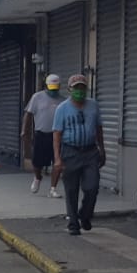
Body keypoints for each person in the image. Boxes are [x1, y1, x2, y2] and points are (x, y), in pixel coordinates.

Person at [53, 74, 105, 236]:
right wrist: (57, 158)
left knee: (92, 187)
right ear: (69, 89)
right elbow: (57, 134)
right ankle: (73, 223)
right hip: (70, 151)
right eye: (76, 88)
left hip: (90, 152)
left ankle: (85, 214)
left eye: (82, 87)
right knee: (71, 190)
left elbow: (98, 128)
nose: (80, 91)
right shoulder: (62, 109)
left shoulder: (93, 106)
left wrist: (102, 149)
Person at [24, 74, 65, 198]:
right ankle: (37, 177)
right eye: (51, 88)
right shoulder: (37, 97)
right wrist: (24, 130)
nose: (53, 91)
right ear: (46, 86)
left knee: (57, 162)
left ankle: (53, 189)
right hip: (41, 134)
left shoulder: (63, 101)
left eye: (55, 88)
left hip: (57, 135)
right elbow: (28, 114)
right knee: (37, 162)